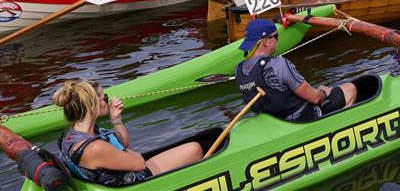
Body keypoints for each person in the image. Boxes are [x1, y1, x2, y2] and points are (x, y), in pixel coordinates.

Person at [54, 80, 201, 185]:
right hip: (136, 182)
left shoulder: (71, 134)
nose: (108, 100)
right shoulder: (94, 148)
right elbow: (140, 163)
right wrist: (129, 152)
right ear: (93, 107)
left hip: (119, 176)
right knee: (194, 149)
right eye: (104, 98)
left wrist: (116, 119)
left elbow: (123, 143)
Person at [235, 19, 357, 121]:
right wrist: (325, 92)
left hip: (275, 121)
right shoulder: (278, 64)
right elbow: (315, 98)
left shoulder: (239, 70)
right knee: (350, 89)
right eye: (275, 36)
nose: (277, 40)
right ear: (266, 41)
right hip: (301, 119)